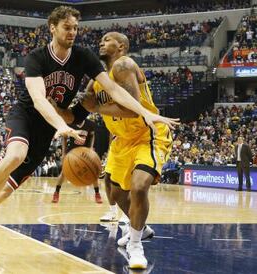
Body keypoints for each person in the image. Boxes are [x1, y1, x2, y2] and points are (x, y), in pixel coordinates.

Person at [0, 6, 179, 260]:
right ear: (53, 28)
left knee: (7, 191)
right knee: (15, 155)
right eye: (67, 27)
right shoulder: (37, 57)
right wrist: (61, 126)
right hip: (26, 117)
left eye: (75, 28)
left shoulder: (84, 58)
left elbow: (116, 93)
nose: (72, 32)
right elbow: (39, 99)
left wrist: (145, 112)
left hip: (48, 129)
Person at [78, 32, 173, 269]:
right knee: (115, 193)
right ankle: (141, 227)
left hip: (146, 133)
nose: (101, 41)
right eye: (100, 39)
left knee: (139, 186)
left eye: (108, 39)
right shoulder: (97, 79)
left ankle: (135, 245)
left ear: (121, 46)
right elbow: (84, 106)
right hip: (121, 140)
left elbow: (132, 109)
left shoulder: (124, 65)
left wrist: (97, 107)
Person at [51, 118, 103, 203]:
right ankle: (56, 192)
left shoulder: (90, 124)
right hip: (72, 153)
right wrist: (64, 153)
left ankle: (97, 193)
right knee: (63, 173)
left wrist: (90, 148)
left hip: (84, 153)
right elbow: (64, 137)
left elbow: (92, 135)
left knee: (93, 172)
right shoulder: (70, 123)